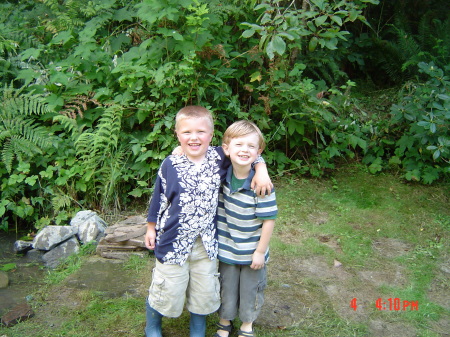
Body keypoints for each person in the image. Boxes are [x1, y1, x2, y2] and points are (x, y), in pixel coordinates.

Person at [144, 106, 273, 337]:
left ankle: (198, 328)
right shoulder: (169, 164)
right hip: (173, 241)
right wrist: (151, 227)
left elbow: (245, 150)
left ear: (211, 136)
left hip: (207, 243)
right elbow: (158, 198)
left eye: (201, 132)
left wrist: (261, 168)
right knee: (168, 288)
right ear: (177, 134)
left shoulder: (218, 158)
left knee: (204, 290)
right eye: (187, 133)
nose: (194, 137)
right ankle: (152, 324)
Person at [215, 120, 278, 337]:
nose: (244, 150)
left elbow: (269, 220)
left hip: (252, 250)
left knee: (251, 289)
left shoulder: (261, 185)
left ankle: (247, 324)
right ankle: (225, 320)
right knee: (227, 286)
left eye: (251, 146)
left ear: (259, 151)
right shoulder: (220, 174)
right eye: (239, 145)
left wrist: (260, 252)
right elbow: (197, 153)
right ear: (226, 149)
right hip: (226, 248)